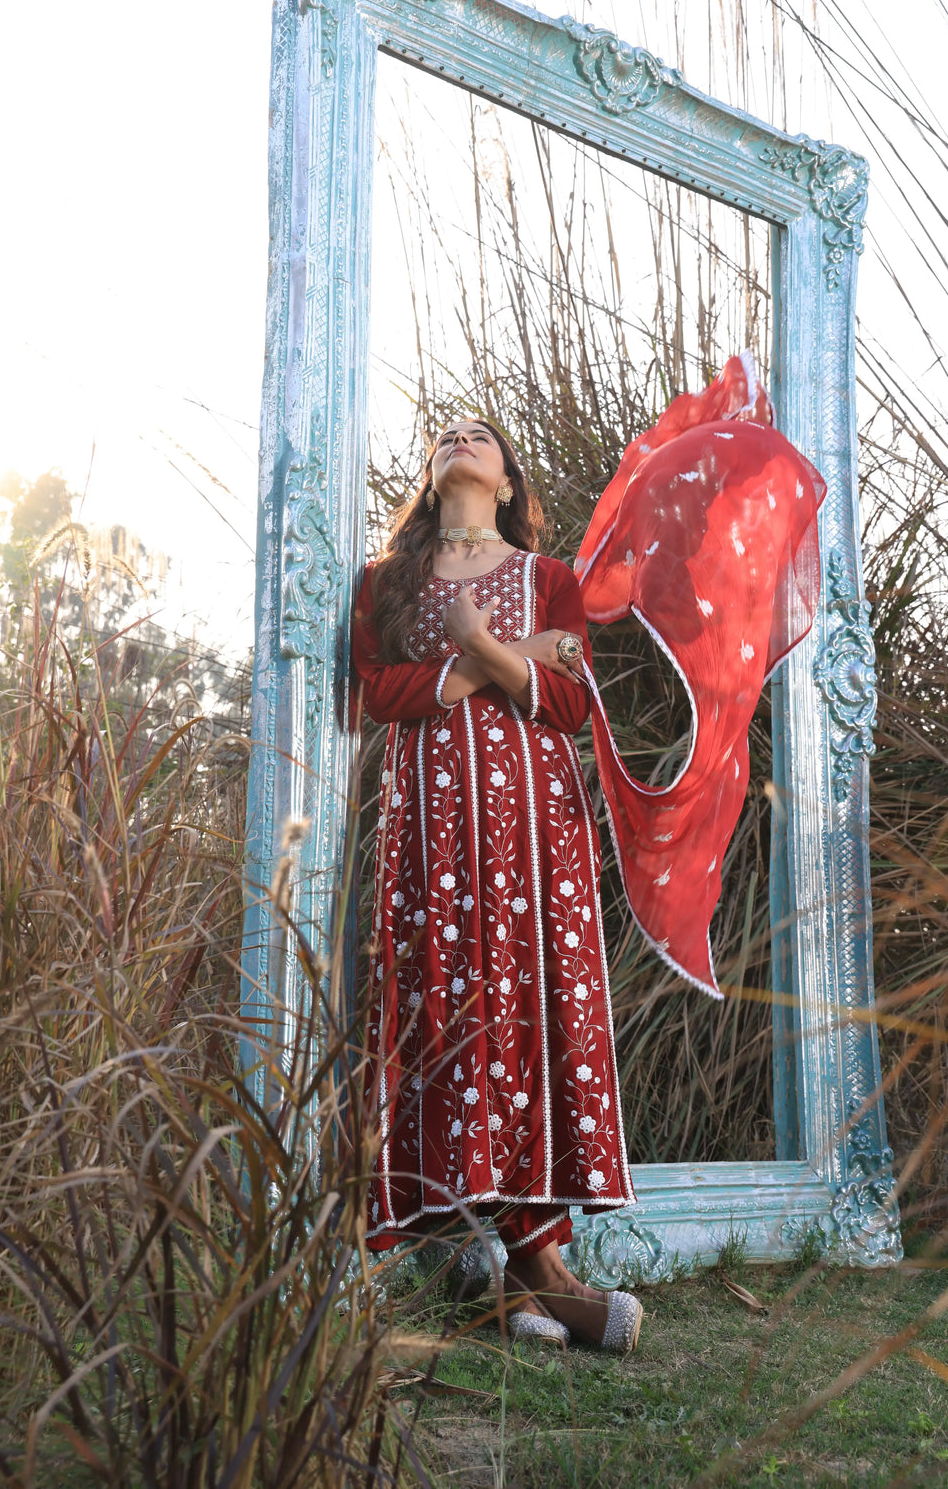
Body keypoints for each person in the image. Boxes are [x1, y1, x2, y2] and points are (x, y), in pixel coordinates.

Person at [351, 417, 643, 1353]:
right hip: (432, 834)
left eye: (478, 436)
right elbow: (370, 690)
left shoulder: (549, 578)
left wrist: (497, 643)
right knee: (452, 1007)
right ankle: (528, 1270)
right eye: (442, 435)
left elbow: (570, 697)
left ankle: (523, 1265)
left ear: (509, 484)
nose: (456, 439)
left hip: (533, 830)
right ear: (431, 479)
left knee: (529, 1007)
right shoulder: (386, 582)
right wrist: (483, 656)